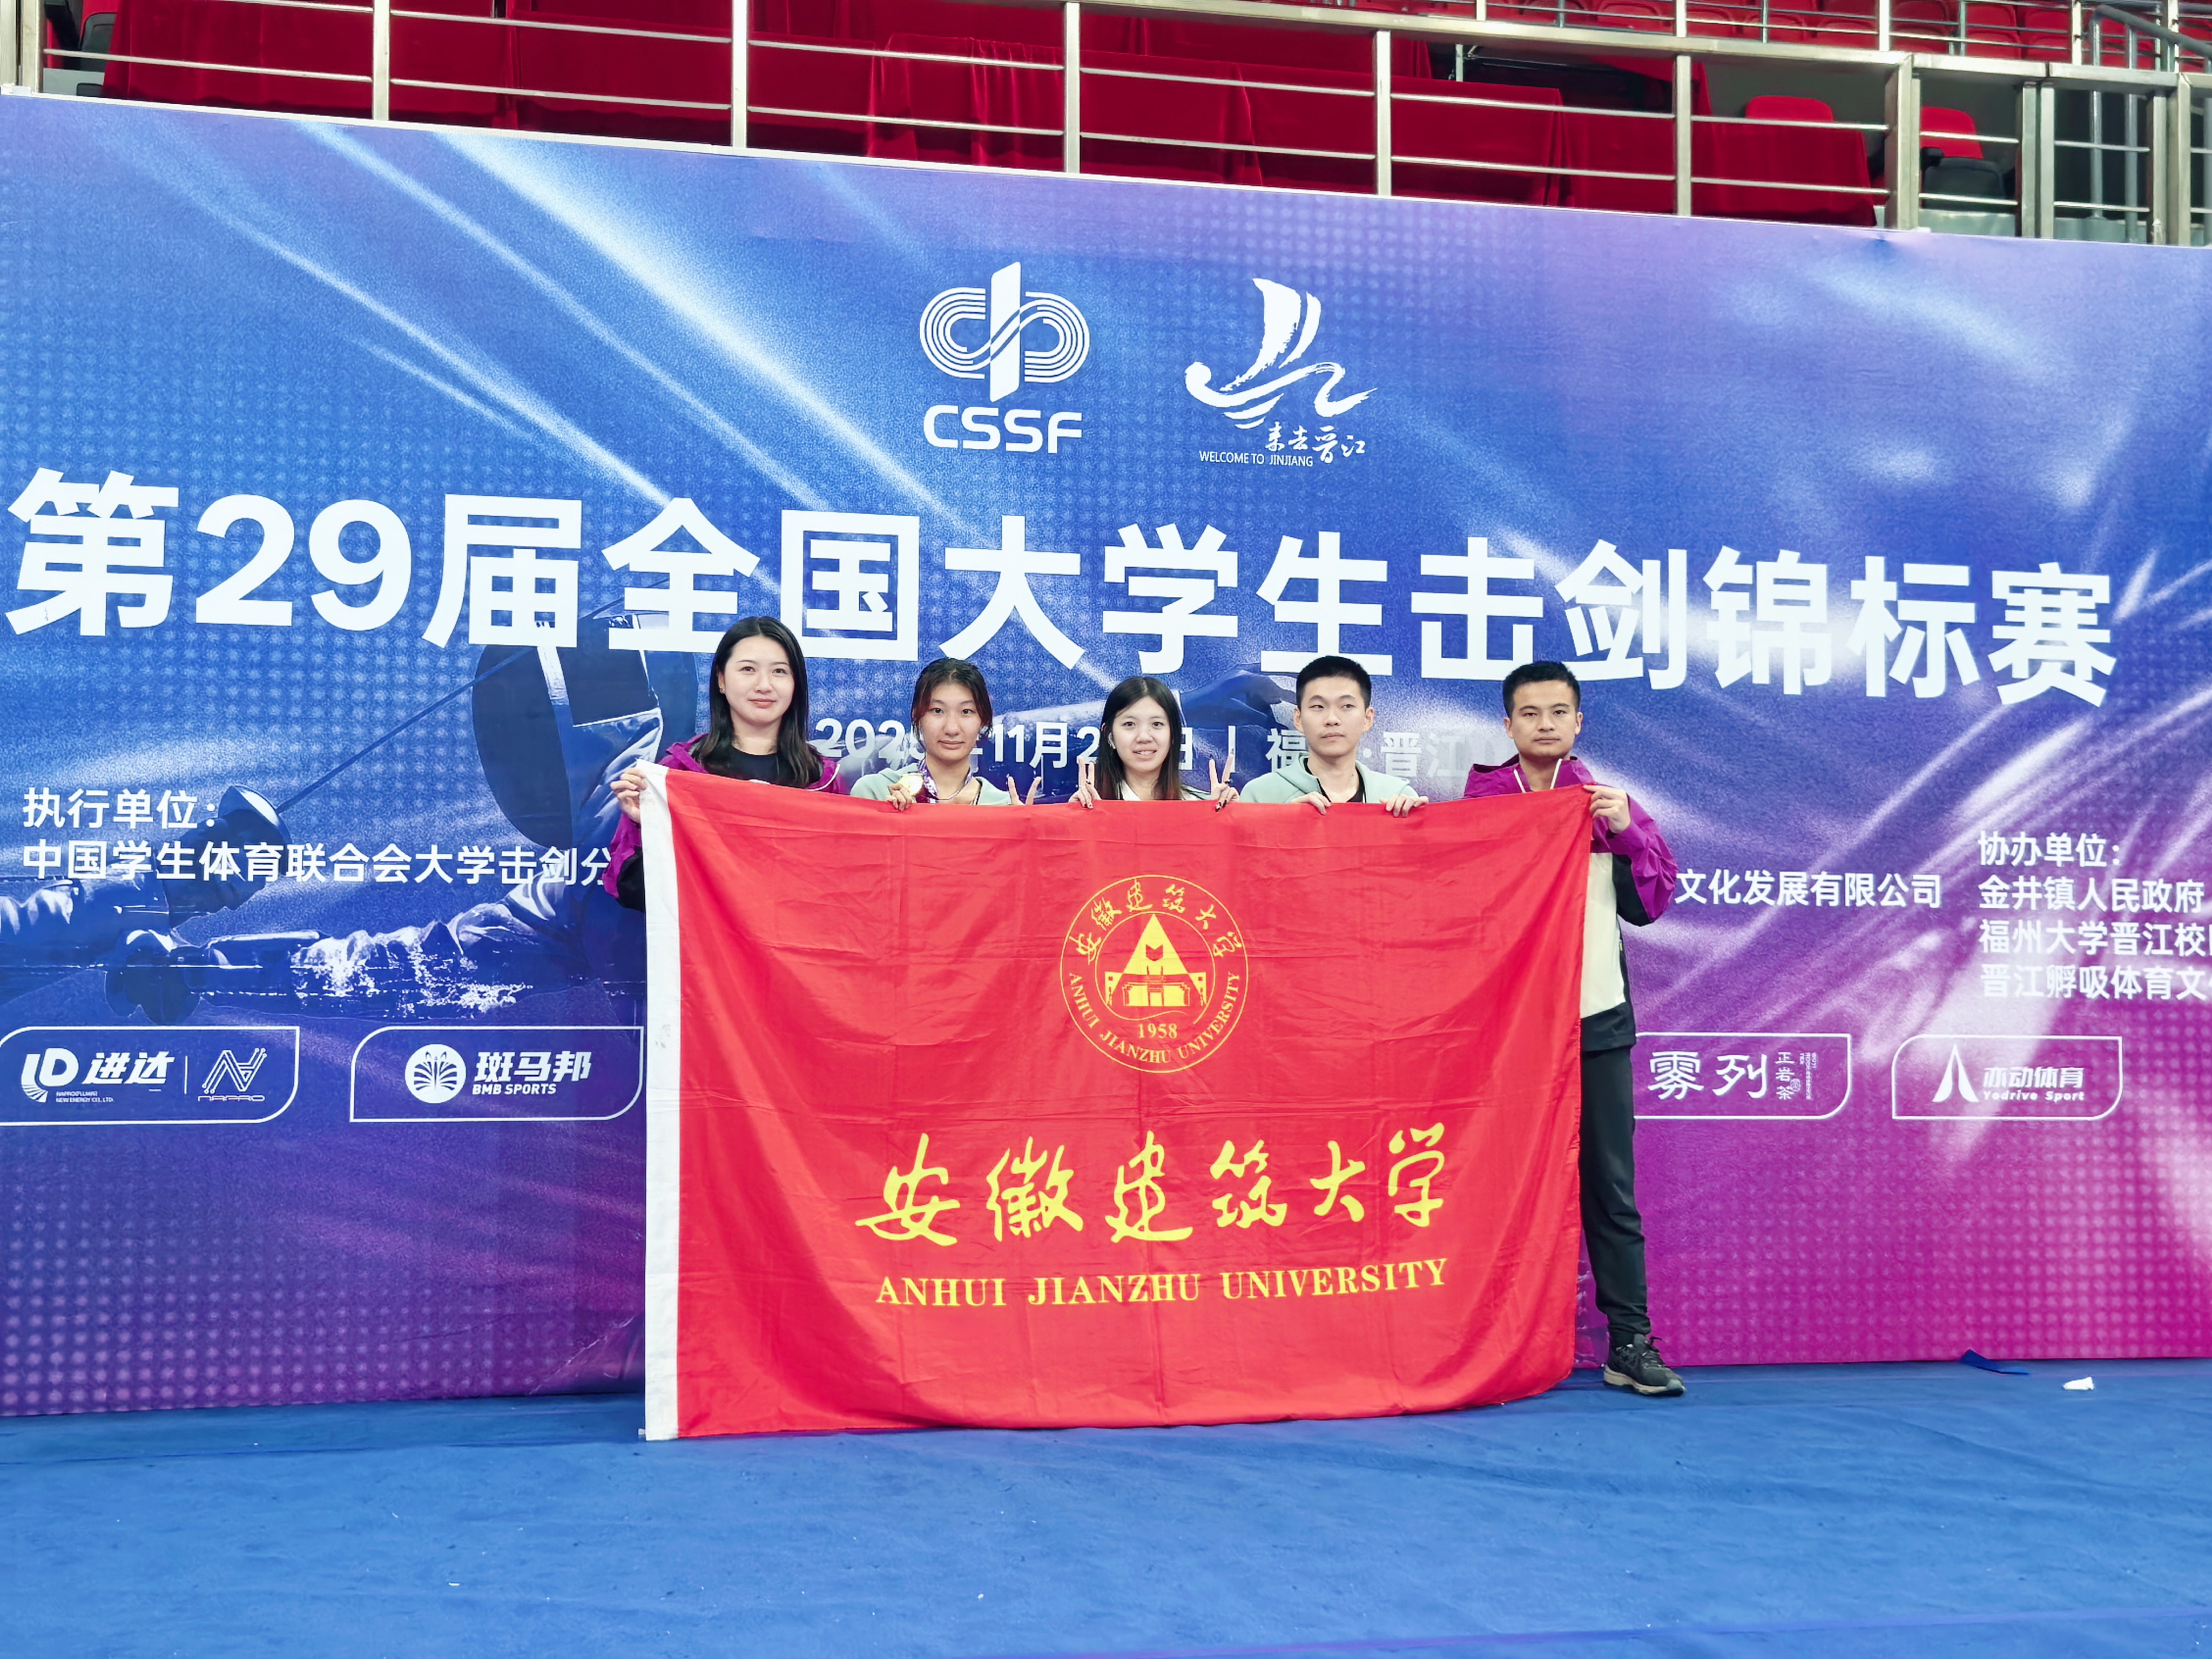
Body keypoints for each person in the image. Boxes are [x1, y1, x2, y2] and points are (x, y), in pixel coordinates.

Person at [1465, 660, 1683, 1399]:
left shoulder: (1606, 805)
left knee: (1609, 1189)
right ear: (1508, 725)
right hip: (1506, 1031)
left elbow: (1650, 904)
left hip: (1596, 1022)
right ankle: (1491, 1343)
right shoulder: (1483, 805)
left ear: (1578, 721)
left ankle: (1630, 1341)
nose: (1545, 724)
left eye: (1558, 712)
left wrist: (1626, 835)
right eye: (1530, 713)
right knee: (1496, 1187)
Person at [606, 616, 848, 908]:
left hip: (797, 937)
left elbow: (845, 889)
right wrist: (648, 826)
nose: (764, 685)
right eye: (748, 669)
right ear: (721, 680)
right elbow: (633, 893)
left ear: (795, 683)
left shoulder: (822, 781)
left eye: (780, 671)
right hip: (707, 939)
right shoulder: (680, 773)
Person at [1236, 656, 1426, 817]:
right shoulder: (1261, 795)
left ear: (1367, 719)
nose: (1332, 719)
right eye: (1318, 707)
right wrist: (1284, 826)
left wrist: (1414, 825)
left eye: (1347, 706)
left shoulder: (1397, 796)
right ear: (1299, 719)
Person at [853, 658, 1037, 809]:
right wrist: (892, 821)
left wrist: (1026, 836)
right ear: (917, 716)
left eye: (966, 712)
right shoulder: (876, 793)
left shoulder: (1002, 807)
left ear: (983, 720)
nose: (952, 729)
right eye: (937, 711)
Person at [1069, 675, 1238, 808]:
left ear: (1174, 735)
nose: (1144, 737)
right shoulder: (1092, 805)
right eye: (1130, 724)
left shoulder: (1197, 806)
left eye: (1157, 724)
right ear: (1110, 735)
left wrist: (1222, 820)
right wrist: (1081, 823)